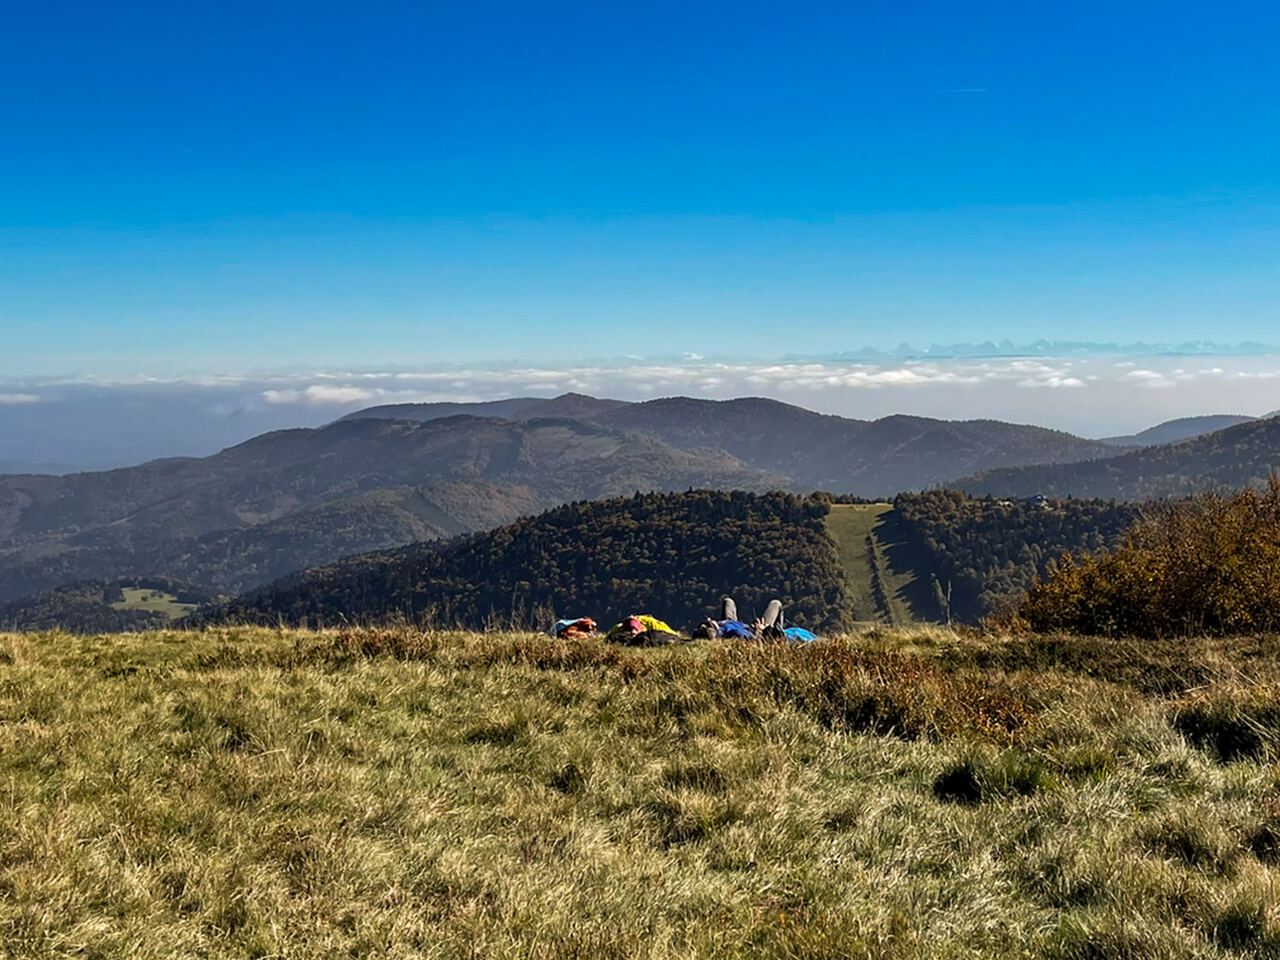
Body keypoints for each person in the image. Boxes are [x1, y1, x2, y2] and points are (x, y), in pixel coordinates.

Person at [693, 596, 818, 642]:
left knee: (728, 601)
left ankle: (777, 634)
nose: (710, 619)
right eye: (710, 622)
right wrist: (761, 630)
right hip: (759, 630)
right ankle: (778, 634)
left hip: (735, 622)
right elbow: (754, 640)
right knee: (776, 604)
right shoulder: (735, 634)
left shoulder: (722, 627)